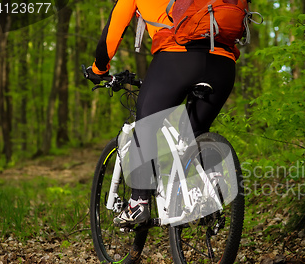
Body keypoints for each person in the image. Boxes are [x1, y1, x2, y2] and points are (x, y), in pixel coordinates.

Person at [85, 0, 238, 227]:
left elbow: (112, 33)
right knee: (196, 131)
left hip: (178, 58)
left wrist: (99, 69)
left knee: (146, 123)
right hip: (223, 63)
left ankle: (138, 202)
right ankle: (209, 187)